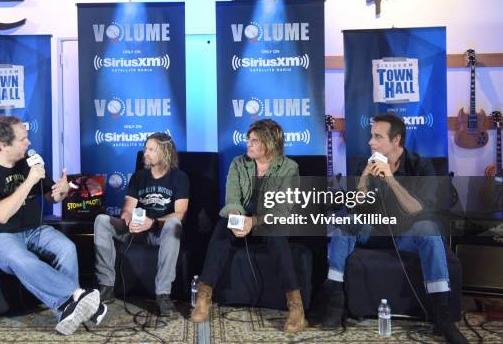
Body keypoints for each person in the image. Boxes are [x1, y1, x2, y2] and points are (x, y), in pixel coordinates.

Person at [321, 113, 467, 344]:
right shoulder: (364, 163)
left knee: (428, 228)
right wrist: (363, 181)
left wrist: (390, 178)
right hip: (373, 232)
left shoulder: (421, 166)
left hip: (405, 235)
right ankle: (335, 302)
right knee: (343, 223)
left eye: (377, 137)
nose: (370, 142)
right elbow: (355, 207)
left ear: (396, 140)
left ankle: (442, 315)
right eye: (371, 136)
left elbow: (417, 209)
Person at [0, 116, 106, 335]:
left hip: (33, 230)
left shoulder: (27, 163)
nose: (29, 143)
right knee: (22, 259)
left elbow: (52, 197)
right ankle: (79, 297)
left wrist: (61, 191)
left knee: (66, 248)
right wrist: (29, 181)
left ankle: (67, 311)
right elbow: (1, 215)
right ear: (3, 145)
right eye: (23, 139)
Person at [190, 119, 306, 332]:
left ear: (270, 143)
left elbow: (282, 209)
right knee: (222, 226)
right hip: (243, 220)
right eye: (248, 140)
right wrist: (236, 217)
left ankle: (295, 306)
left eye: (254, 141)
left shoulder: (289, 168)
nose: (248, 144)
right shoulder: (238, 163)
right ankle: (204, 296)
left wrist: (253, 222)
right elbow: (232, 199)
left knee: (276, 233)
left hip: (268, 222)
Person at [93, 132, 189, 316]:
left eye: (151, 149)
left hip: (161, 232)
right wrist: (129, 221)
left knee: (175, 224)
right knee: (102, 220)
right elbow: (127, 209)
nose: (145, 153)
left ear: (165, 152)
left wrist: (152, 222)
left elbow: (181, 213)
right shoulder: (138, 177)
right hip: (137, 231)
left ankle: (163, 295)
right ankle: (106, 286)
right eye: (146, 148)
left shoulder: (179, 177)